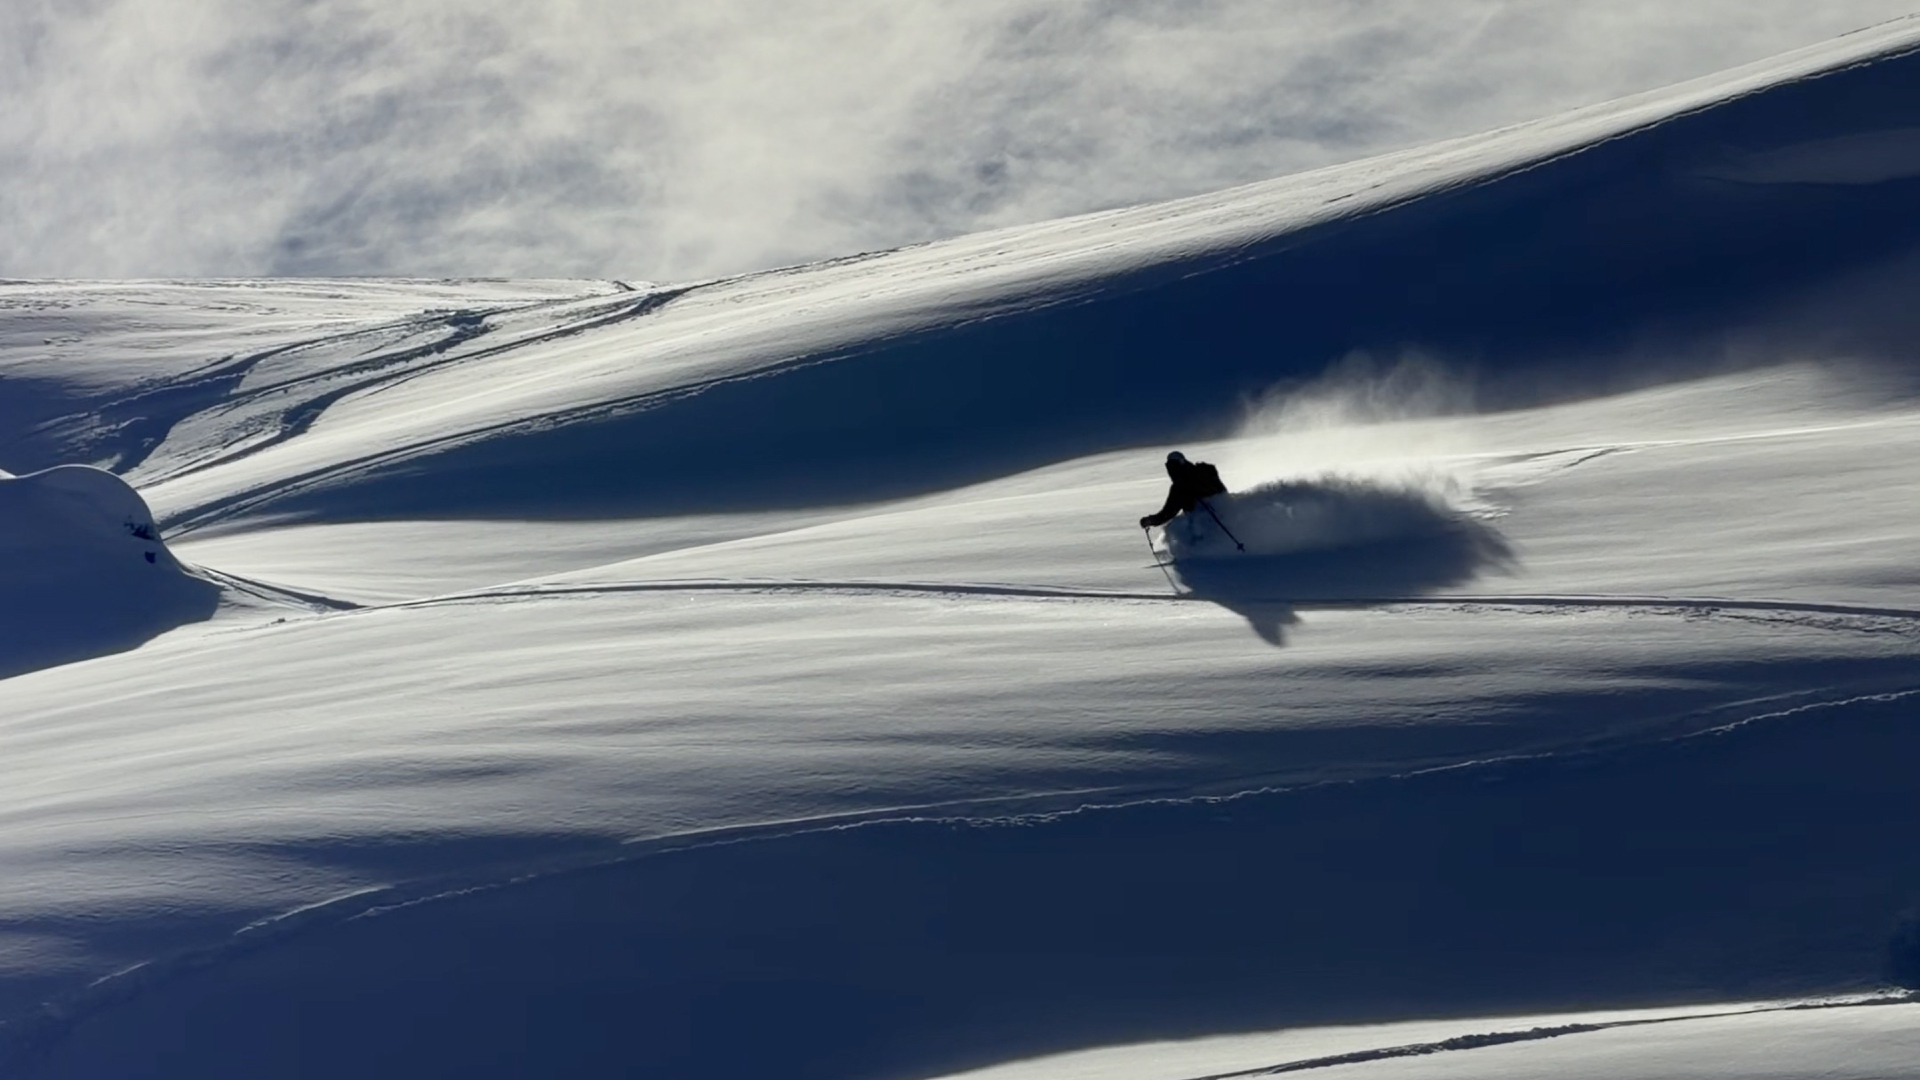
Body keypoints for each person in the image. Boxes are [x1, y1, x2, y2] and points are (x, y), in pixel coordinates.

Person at [1139, 450, 1227, 529]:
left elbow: (1168, 513)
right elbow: (1223, 493)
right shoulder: (1203, 472)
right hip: (1224, 517)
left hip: (1204, 526)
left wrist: (1150, 521)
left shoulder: (1180, 487)